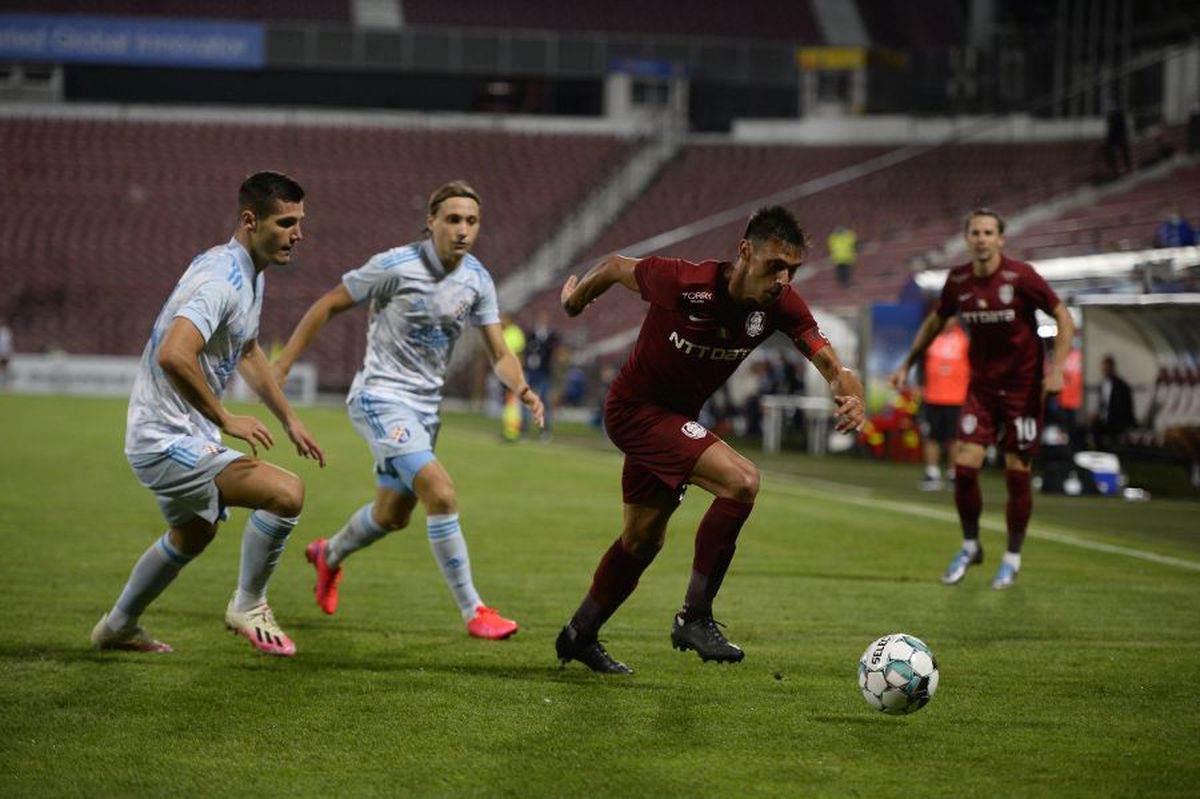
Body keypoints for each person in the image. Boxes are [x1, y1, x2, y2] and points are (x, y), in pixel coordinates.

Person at [555, 205, 865, 674]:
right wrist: (576, 303)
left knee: (642, 542)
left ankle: (578, 634)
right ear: (745, 252)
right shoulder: (685, 283)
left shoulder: (780, 305)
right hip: (635, 411)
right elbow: (618, 266)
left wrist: (850, 394)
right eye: (775, 266)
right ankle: (694, 616)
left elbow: (831, 365)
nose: (783, 279)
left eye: (792, 270)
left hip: (675, 418)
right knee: (741, 481)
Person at [272, 180, 543, 640]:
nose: (462, 229)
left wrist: (521, 387)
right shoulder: (393, 266)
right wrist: (282, 364)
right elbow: (327, 305)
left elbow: (499, 350)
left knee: (393, 515)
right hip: (380, 398)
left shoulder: (477, 278)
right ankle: (474, 610)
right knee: (441, 491)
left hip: (425, 411)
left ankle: (328, 555)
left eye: (471, 221)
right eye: (453, 219)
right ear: (431, 222)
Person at [91, 171, 327, 657]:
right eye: (286, 223)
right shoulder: (222, 278)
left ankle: (118, 626)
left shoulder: (248, 273)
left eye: (300, 222)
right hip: (165, 438)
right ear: (249, 220)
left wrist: (289, 419)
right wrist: (225, 417)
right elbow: (174, 354)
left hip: (174, 432)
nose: (298, 234)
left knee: (191, 535)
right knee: (286, 493)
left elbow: (248, 352)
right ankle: (249, 604)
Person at [890, 209, 1075, 590]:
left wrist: (1055, 368)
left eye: (989, 232)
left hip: (1023, 389)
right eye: (975, 232)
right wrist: (908, 362)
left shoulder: (1021, 277)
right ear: (967, 238)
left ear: (1000, 239)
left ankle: (1011, 557)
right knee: (964, 467)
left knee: (1016, 473)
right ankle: (971, 545)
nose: (981, 238)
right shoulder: (958, 280)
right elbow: (936, 321)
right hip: (982, 389)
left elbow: (1062, 315)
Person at [917, 316, 969, 490]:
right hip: (933, 396)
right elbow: (921, 363)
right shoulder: (930, 337)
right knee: (932, 436)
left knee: (955, 438)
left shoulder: (965, 339)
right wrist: (919, 385)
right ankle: (932, 473)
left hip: (957, 398)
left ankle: (954, 474)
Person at [522, 309, 560, 437]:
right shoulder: (531, 334)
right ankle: (524, 428)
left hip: (544, 372)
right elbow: (526, 351)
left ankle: (544, 429)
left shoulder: (551, 336)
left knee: (544, 401)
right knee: (527, 399)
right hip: (531, 371)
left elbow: (554, 352)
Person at [1088, 354, 1136, 449]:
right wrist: (1097, 415)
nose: (1105, 370)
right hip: (1105, 421)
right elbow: (1102, 405)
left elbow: (1123, 408)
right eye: (1104, 367)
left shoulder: (1121, 386)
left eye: (1107, 367)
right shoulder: (1102, 385)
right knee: (1091, 426)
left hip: (1116, 422)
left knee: (1097, 429)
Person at [499, 312, 526, 441]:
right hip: (505, 372)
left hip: (512, 372)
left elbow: (519, 355)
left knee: (512, 401)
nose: (501, 320)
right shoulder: (503, 332)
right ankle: (509, 429)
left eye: (503, 318)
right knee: (508, 401)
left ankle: (513, 430)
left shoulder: (515, 333)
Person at [0, 317, 12, 390]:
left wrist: (9, 353)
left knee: (5, 370)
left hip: (5, 353)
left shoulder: (6, 331)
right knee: (3, 370)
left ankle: (6, 385)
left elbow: (9, 343)